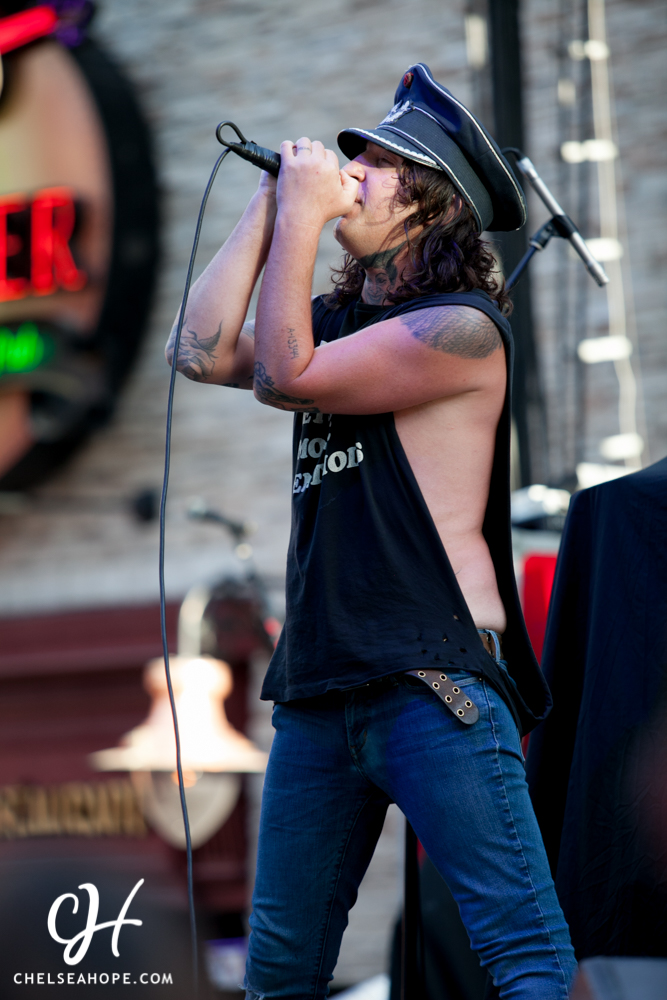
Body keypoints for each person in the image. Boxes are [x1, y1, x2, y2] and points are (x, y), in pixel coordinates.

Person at [167, 63, 576, 1000]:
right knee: (279, 976)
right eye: (352, 155)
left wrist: (304, 223)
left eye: (380, 162)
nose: (352, 169)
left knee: (521, 952)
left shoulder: (462, 329)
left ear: (431, 202)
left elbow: (286, 376)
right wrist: (271, 207)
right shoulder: (337, 323)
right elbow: (196, 349)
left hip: (430, 682)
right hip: (320, 686)